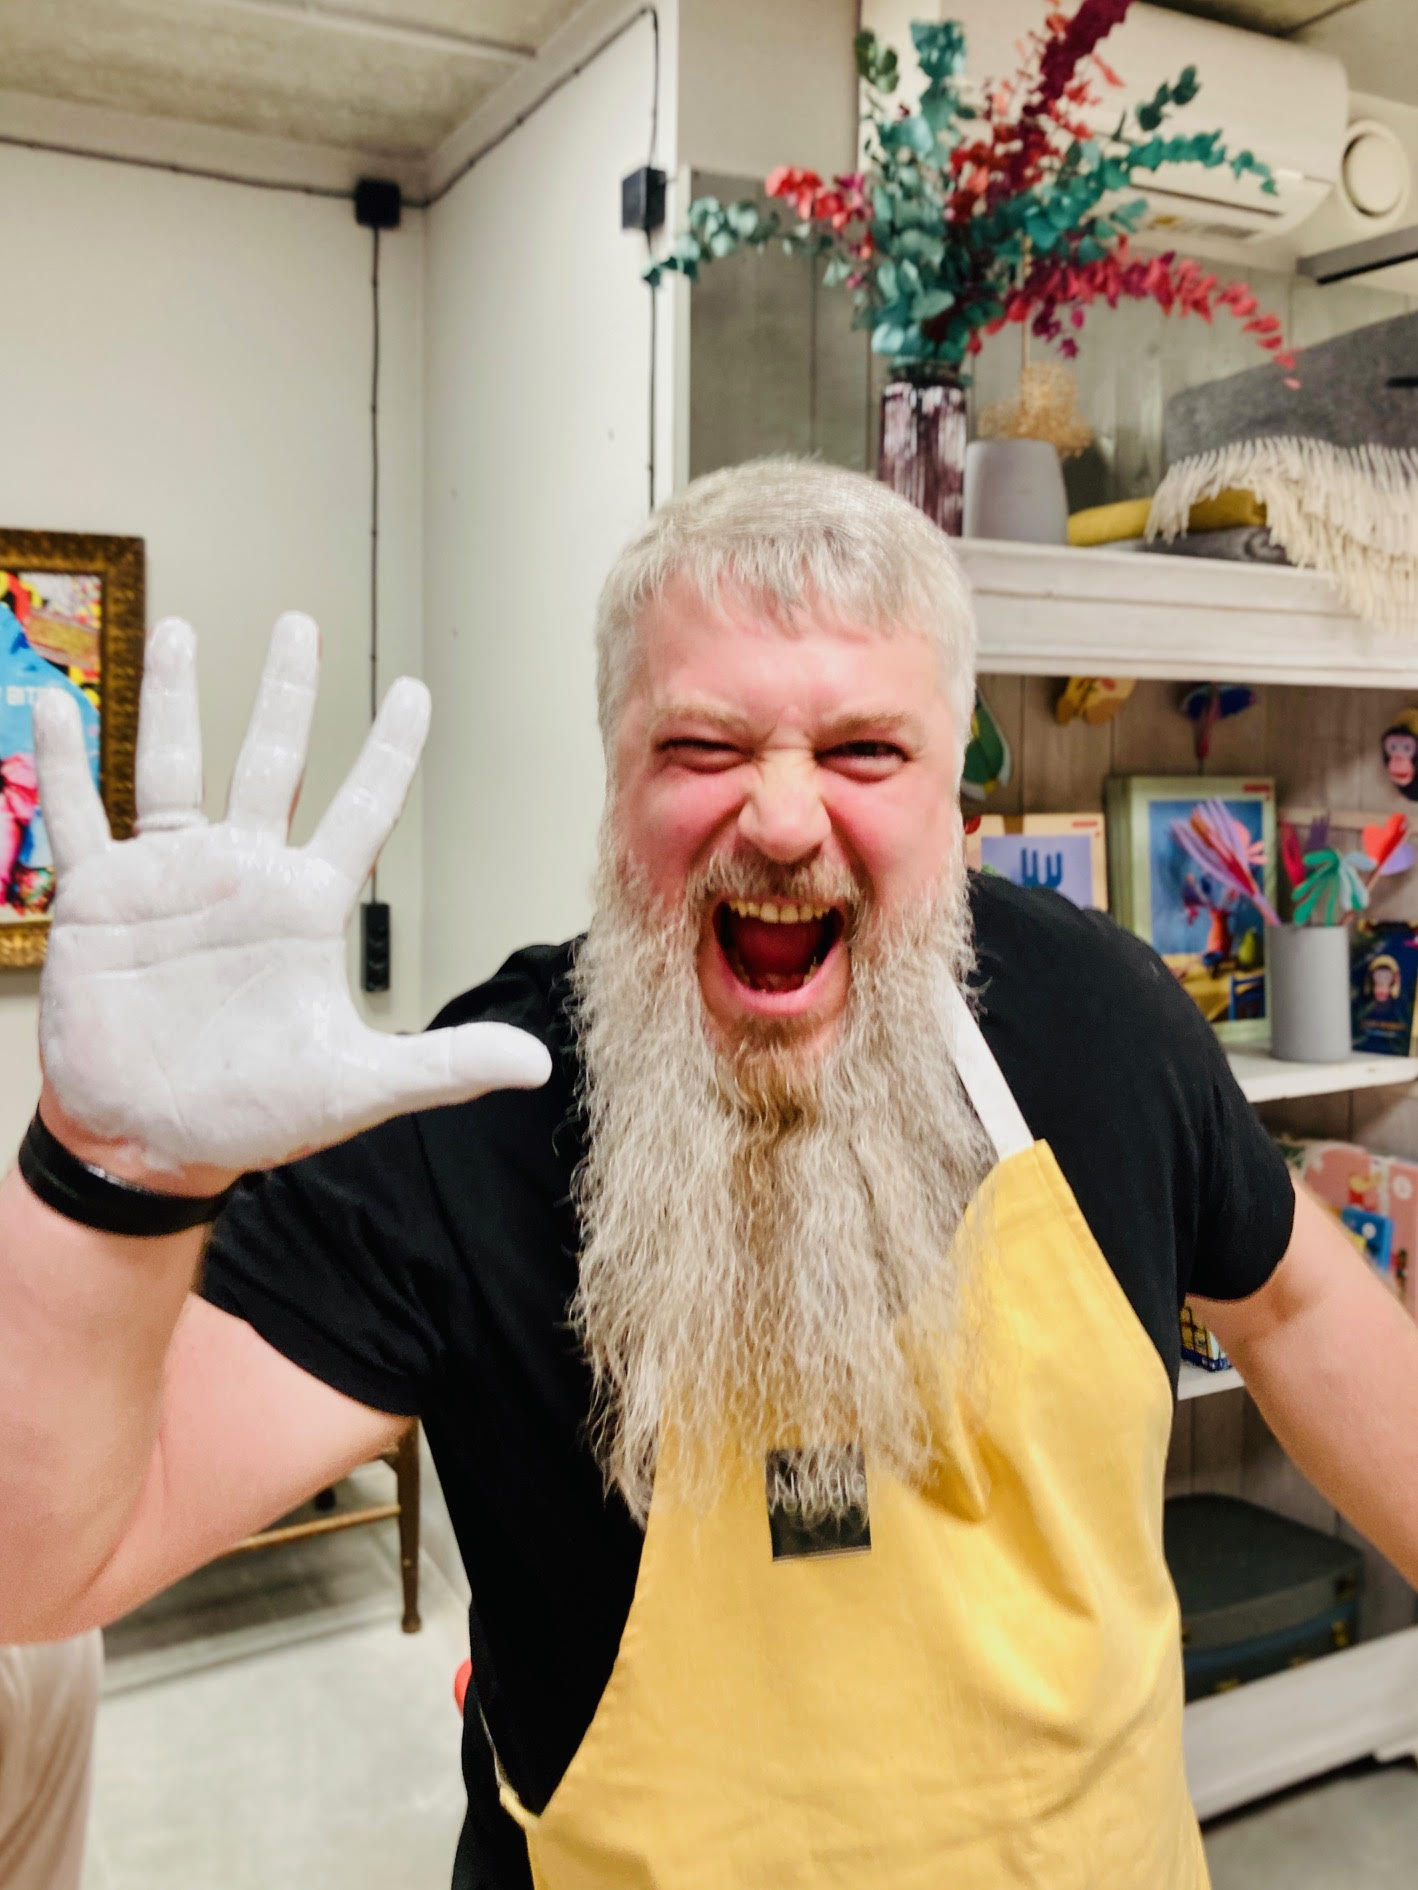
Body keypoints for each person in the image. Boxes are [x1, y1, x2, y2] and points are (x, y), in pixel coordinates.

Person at [2, 458, 1417, 1890]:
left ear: (957, 802)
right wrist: (109, 1171)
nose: (784, 822)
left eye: (865, 751)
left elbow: (1298, 1309)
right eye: (702, 746)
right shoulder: (480, 1113)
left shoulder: (1101, 1019)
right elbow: (45, 1563)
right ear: (615, 787)